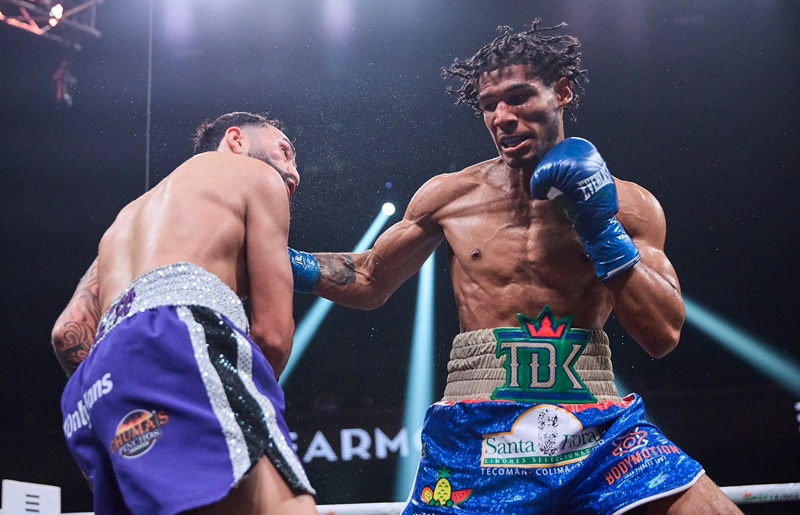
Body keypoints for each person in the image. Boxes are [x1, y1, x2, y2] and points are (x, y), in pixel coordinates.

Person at [288, 21, 742, 514]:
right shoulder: (451, 197)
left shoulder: (631, 207)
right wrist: (277, 262)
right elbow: (372, 278)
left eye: (519, 97)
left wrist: (598, 226)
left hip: (594, 422)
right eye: (489, 106)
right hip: (478, 424)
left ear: (562, 92)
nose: (502, 117)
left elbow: (663, 335)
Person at [51, 112, 317, 515]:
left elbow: (67, 332)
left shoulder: (126, 219)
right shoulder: (253, 177)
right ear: (236, 140)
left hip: (95, 386)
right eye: (285, 151)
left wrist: (131, 374)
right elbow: (273, 334)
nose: (293, 173)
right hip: (179, 338)